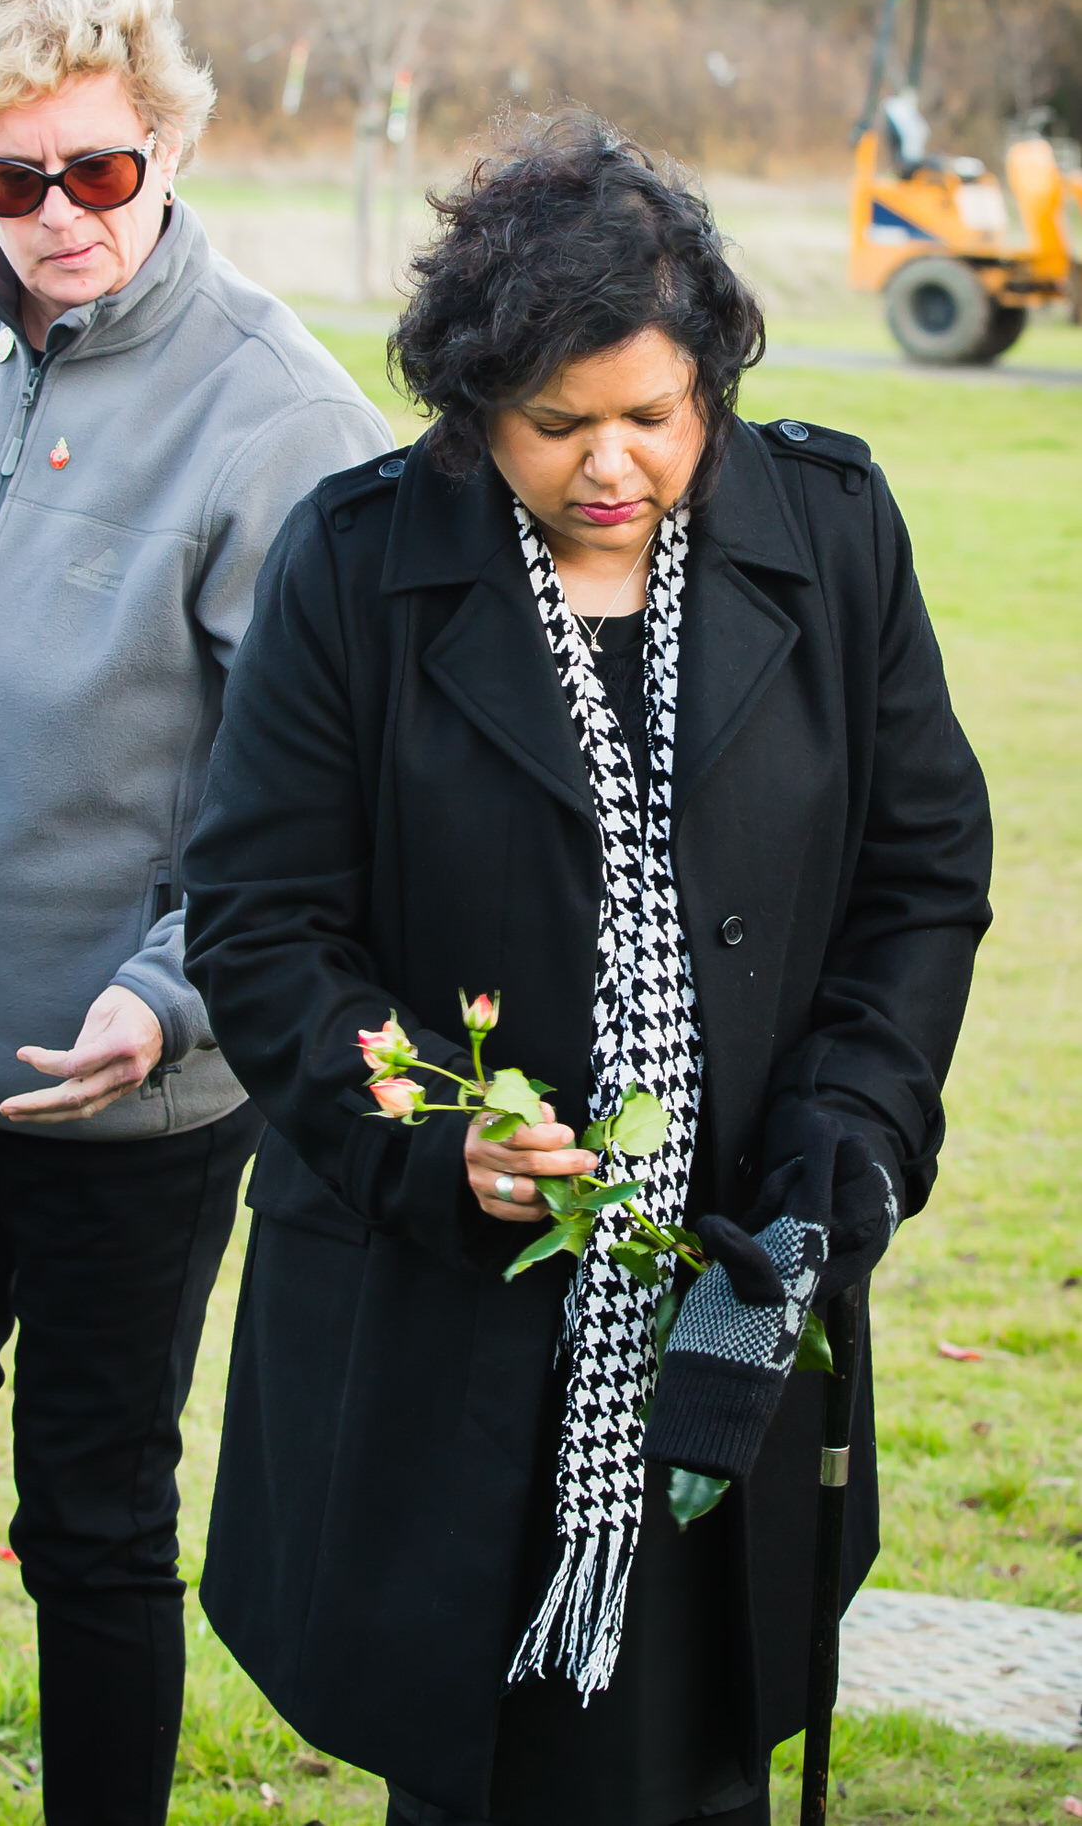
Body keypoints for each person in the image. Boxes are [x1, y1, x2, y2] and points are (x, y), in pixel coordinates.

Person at [182, 116, 992, 1826]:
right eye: (559, 427)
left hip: (730, 1298)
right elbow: (262, 918)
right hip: (446, 1327)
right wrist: (428, 1130)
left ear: (713, 381)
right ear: (477, 406)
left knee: (700, 1751)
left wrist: (851, 1126)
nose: (611, 464)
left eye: (653, 416)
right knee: (478, 1765)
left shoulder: (832, 536)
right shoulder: (354, 567)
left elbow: (921, 874)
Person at [0, 0, 391, 1826]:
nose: (61, 215)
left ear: (171, 141)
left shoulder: (281, 420)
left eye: (100, 169)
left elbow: (329, 795)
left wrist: (173, 987)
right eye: (10, 175)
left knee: (93, 1525)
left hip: (126, 1099)